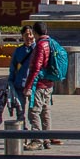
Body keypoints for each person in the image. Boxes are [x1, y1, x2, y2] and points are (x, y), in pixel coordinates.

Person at [21, 21, 61, 150]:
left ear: (35, 33)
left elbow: (36, 67)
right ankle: (46, 139)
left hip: (38, 84)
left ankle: (37, 140)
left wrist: (28, 86)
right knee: (45, 112)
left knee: (34, 112)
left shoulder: (40, 45)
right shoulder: (52, 43)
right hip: (49, 83)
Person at [7, 24, 35, 118]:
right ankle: (22, 130)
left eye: (31, 34)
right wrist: (10, 81)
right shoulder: (18, 51)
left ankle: (35, 132)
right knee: (20, 111)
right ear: (22, 36)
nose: (28, 37)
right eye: (26, 34)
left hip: (33, 85)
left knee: (34, 113)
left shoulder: (38, 49)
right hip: (20, 84)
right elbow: (13, 68)